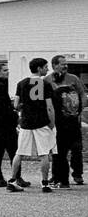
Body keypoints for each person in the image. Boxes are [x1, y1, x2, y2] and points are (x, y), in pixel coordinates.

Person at [11, 58, 58, 193]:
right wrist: (52, 123)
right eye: (45, 67)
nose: (47, 69)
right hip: (41, 121)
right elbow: (49, 107)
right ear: (39, 68)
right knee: (44, 153)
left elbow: (16, 104)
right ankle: (44, 183)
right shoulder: (45, 84)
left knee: (19, 152)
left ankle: (12, 180)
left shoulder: (21, 83)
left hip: (26, 122)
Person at [47, 55, 85, 187]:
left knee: (76, 148)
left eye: (66, 64)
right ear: (54, 65)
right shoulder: (47, 80)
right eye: (63, 64)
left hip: (73, 120)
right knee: (58, 150)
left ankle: (77, 173)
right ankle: (57, 175)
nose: (65, 66)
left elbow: (82, 94)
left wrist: (80, 111)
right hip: (58, 121)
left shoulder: (73, 78)